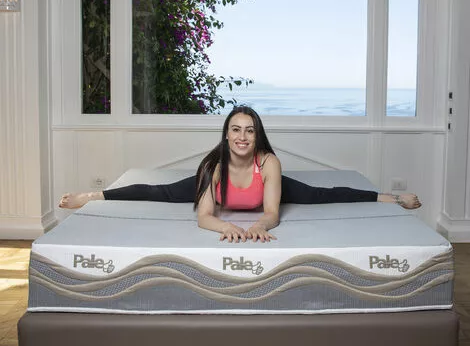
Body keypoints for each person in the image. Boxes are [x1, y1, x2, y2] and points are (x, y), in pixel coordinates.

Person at [59, 106, 421, 242]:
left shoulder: (269, 163)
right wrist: (226, 227)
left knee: (320, 194)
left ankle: (390, 197)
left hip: (264, 189)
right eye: (236, 129)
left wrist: (260, 226)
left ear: (257, 136)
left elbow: (272, 212)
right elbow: (204, 216)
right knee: (160, 191)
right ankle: (92, 195)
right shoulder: (213, 166)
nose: (242, 136)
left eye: (249, 130)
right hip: (216, 187)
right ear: (227, 135)